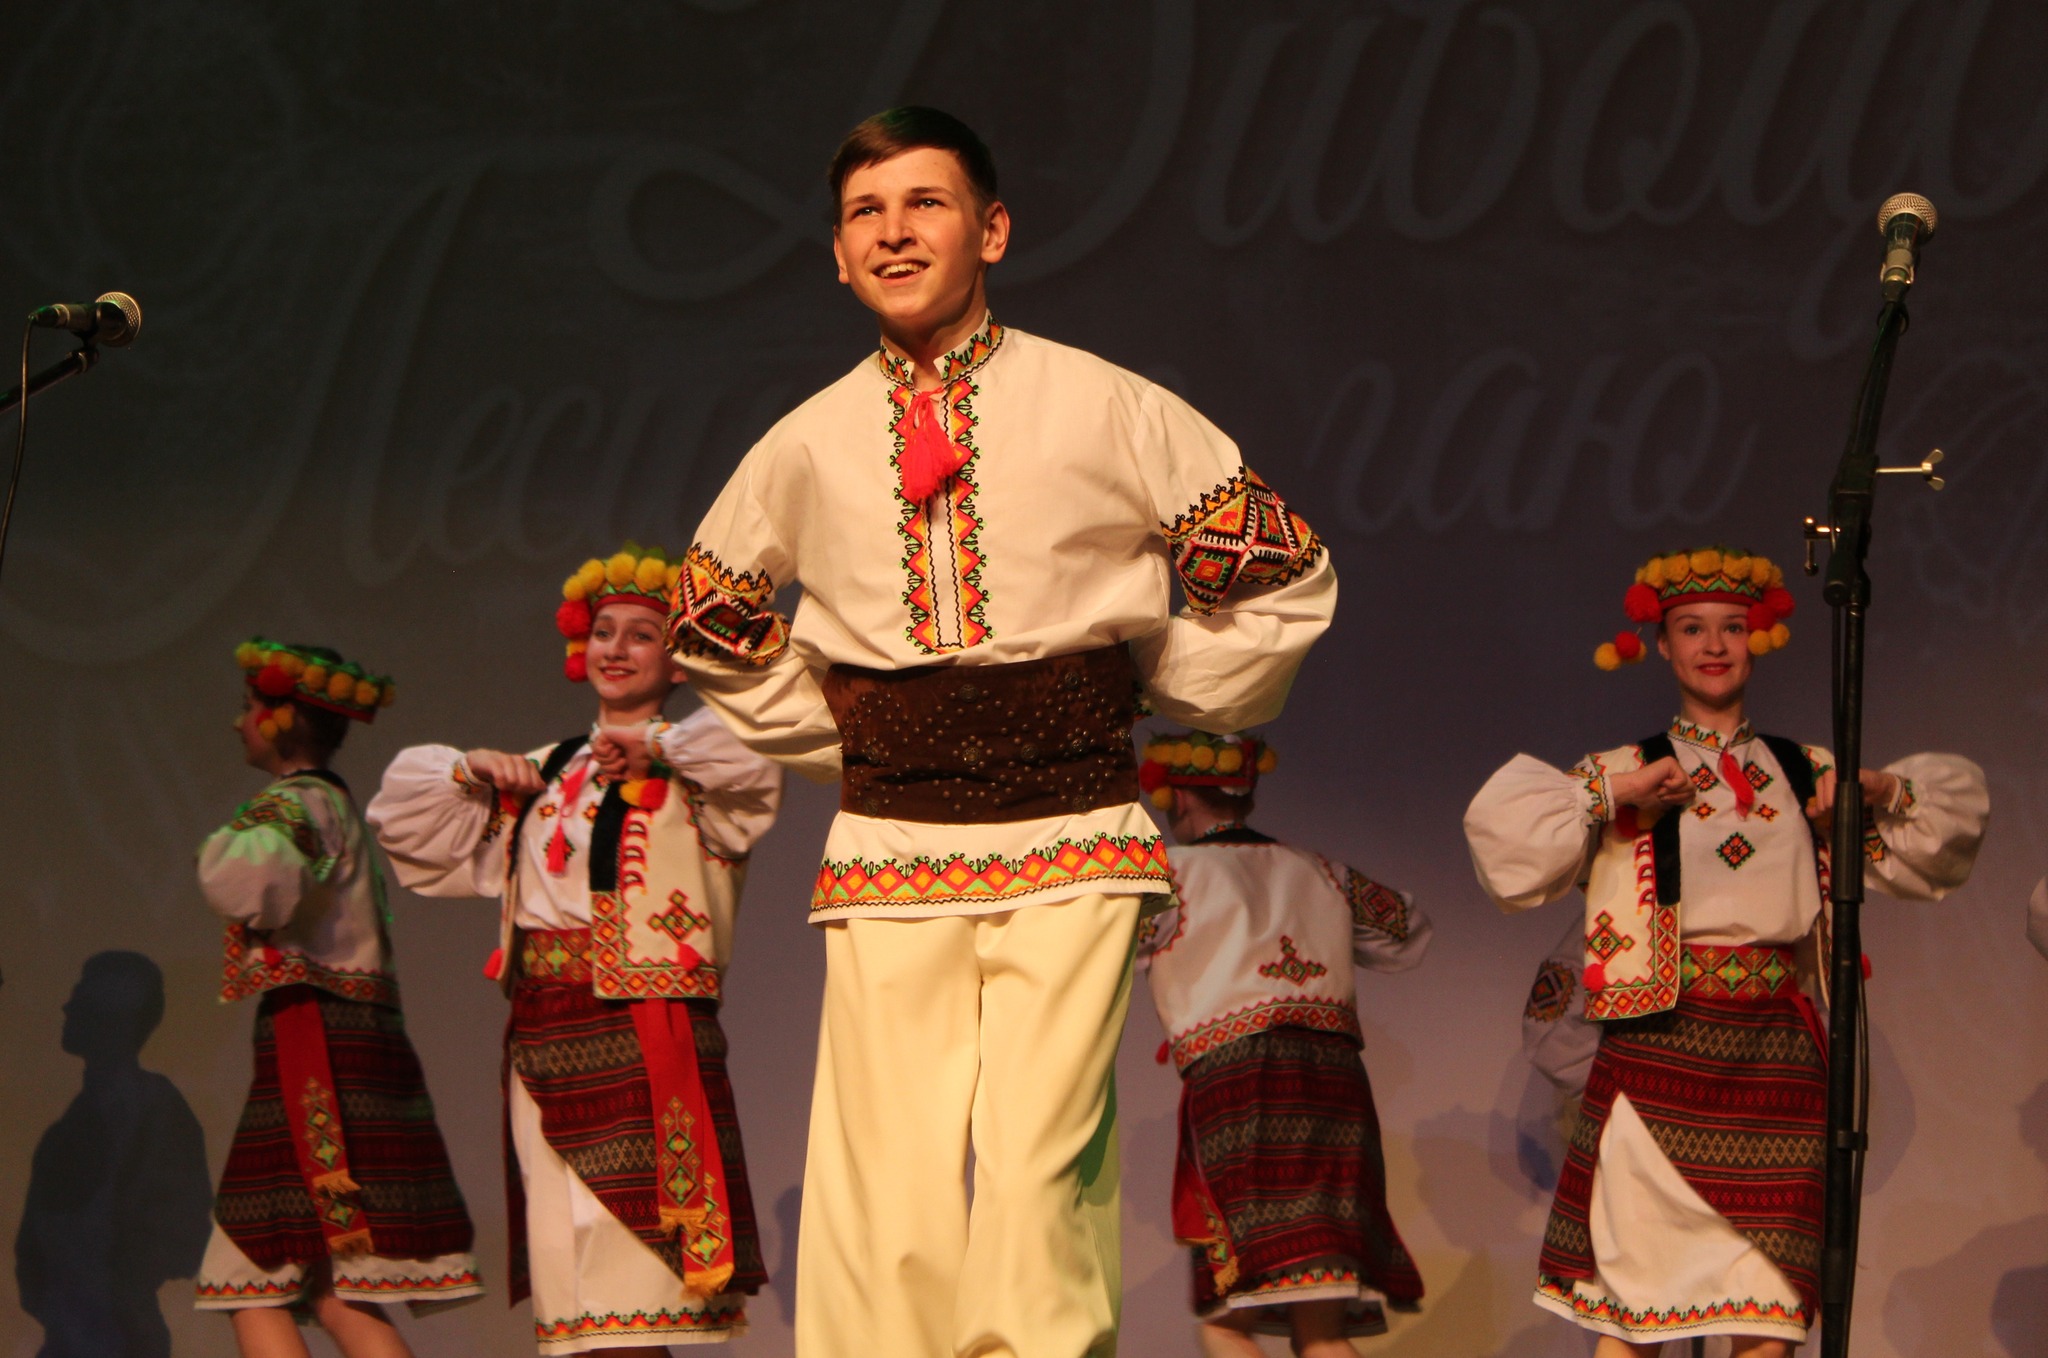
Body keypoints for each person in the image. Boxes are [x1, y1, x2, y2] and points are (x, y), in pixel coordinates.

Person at [666, 107, 1335, 1358]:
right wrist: (847, 733)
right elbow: (707, 622)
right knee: (885, 1167)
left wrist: (1162, 675)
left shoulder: (1104, 403)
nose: (893, 232)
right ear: (837, 256)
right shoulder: (805, 441)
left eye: (924, 203)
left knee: (1038, 1155)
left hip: (1071, 823)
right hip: (891, 835)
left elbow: (1281, 577)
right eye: (865, 213)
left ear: (991, 230)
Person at [1463, 547, 1988, 1356]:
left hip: (1775, 1057)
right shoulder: (1623, 769)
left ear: (1758, 639)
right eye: (1692, 628)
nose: (1714, 645)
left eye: (1733, 628)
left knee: (1769, 1318)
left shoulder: (1806, 770)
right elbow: (1506, 845)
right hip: (1657, 1048)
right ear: (1661, 644)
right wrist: (1615, 793)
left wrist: (1879, 792)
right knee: (1636, 1319)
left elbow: (1940, 838)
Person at [368, 543, 782, 1354]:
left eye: (640, 635)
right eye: (603, 632)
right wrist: (466, 772)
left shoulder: (699, 767)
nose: (616, 649)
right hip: (544, 1036)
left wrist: (658, 747)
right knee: (578, 1308)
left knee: (636, 1294)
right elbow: (405, 823)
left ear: (678, 660)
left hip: (643, 1037)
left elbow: (757, 757)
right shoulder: (547, 771)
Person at [194, 640, 482, 1353]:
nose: (237, 722)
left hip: (316, 1044)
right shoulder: (329, 803)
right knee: (332, 1289)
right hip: (345, 1039)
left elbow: (251, 883)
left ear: (281, 720)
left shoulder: (296, 804)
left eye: (247, 707)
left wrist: (220, 847)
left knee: (250, 1275)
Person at [1133, 730, 1426, 1358]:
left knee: (1226, 1316)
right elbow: (1409, 931)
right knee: (1321, 1326)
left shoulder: (1166, 876)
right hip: (1334, 1088)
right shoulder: (1322, 871)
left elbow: (1097, 945)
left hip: (1241, 1090)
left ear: (1176, 795)